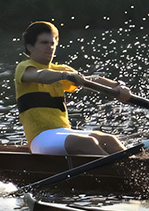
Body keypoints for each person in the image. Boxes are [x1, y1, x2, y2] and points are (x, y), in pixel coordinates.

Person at [15, 21, 132, 156]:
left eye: (52, 43)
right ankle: (121, 173)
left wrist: (118, 86)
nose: (50, 47)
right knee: (87, 142)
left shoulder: (61, 70)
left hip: (63, 133)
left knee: (108, 140)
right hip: (40, 138)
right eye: (44, 43)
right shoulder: (25, 67)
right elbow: (38, 76)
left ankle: (137, 166)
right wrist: (66, 75)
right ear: (30, 47)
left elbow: (90, 79)